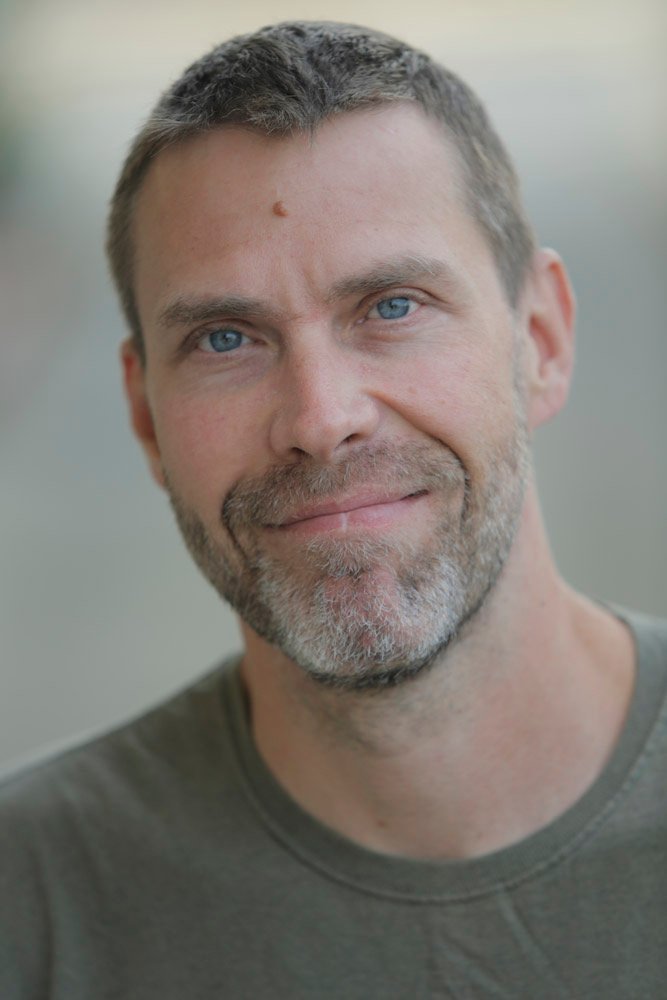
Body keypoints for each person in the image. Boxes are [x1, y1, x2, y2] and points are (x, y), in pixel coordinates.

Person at [1, 20, 665, 999]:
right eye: (226, 338)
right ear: (145, 415)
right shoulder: (29, 900)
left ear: (540, 340)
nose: (320, 419)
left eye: (392, 306)